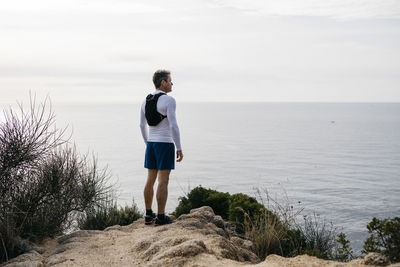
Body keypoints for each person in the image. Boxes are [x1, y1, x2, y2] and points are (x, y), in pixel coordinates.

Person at [140, 69, 183, 226]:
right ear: (163, 82)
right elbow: (173, 125)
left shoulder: (146, 101)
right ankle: (160, 217)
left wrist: (148, 143)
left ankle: (148, 214)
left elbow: (141, 125)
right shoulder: (169, 101)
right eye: (170, 80)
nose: (172, 83)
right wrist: (179, 147)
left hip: (151, 144)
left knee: (150, 179)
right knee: (163, 181)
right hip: (164, 144)